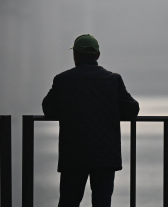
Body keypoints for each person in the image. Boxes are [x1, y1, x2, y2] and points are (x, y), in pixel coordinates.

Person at [42, 34, 140, 207]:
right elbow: (132, 109)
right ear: (98, 55)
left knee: (68, 201)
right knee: (102, 202)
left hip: (73, 154)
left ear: (75, 56)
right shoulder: (112, 79)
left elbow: (48, 109)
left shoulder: (62, 80)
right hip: (105, 155)